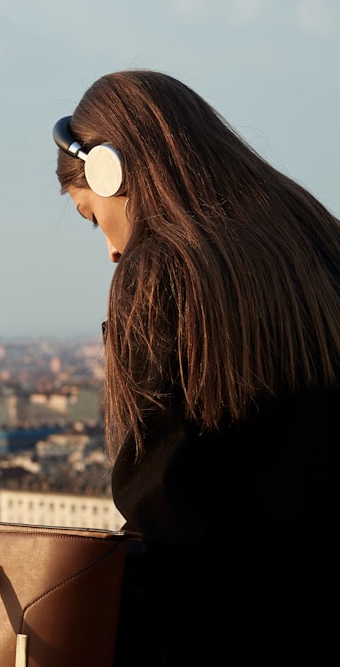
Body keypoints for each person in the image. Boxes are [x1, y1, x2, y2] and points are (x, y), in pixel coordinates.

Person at [53, 69, 337, 665]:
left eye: (90, 216)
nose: (108, 249)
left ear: (111, 171)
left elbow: (169, 520)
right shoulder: (318, 238)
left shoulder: (160, 272)